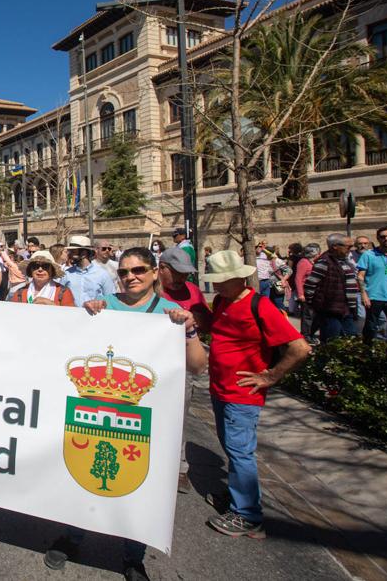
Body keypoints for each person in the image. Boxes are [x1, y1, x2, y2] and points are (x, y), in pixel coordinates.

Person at [53, 247, 205, 581]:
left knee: (142, 487)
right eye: (123, 272)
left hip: (145, 417)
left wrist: (189, 330)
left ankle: (133, 556)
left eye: (138, 270)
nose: (130, 277)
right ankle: (72, 536)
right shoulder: (105, 307)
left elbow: (197, 366)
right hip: (96, 410)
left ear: (154, 273)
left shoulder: (172, 312)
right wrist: (86, 313)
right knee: (81, 475)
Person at [202, 250, 311, 539]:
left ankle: (248, 516)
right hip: (221, 389)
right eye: (216, 280)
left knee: (240, 452)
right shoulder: (222, 301)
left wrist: (271, 376)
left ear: (240, 277)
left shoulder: (259, 305)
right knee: (232, 447)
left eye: (223, 280)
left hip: (243, 394)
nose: (217, 285)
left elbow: (300, 348)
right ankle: (240, 499)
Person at [155, 246, 212, 494]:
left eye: (186, 273)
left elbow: (207, 322)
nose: (182, 279)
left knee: (177, 416)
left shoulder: (192, 291)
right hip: (152, 360)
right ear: (162, 269)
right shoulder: (150, 289)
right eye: (177, 273)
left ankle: (179, 468)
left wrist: (195, 319)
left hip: (180, 363)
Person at [304, 234, 358, 344]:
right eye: (348, 247)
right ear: (335, 246)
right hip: (331, 310)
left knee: (351, 339)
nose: (350, 250)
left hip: (346, 309)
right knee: (332, 341)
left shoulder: (344, 261)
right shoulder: (325, 262)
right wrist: (313, 303)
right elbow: (310, 284)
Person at [356, 226, 387, 343]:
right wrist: (364, 294)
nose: (386, 239)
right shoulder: (368, 255)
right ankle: (367, 352)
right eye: (383, 237)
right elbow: (360, 276)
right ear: (377, 239)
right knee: (371, 328)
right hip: (373, 296)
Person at [59, 236, 115, 307]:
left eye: (73, 251)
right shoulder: (67, 274)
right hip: (72, 316)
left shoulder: (102, 274)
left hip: (95, 316)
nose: (70, 254)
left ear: (84, 253)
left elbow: (110, 299)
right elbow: (60, 296)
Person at [8, 251, 74, 306]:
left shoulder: (63, 292)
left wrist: (52, 305)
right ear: (30, 270)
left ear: (52, 270)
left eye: (45, 266)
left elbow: (71, 317)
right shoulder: (20, 293)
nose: (40, 269)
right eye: (35, 266)